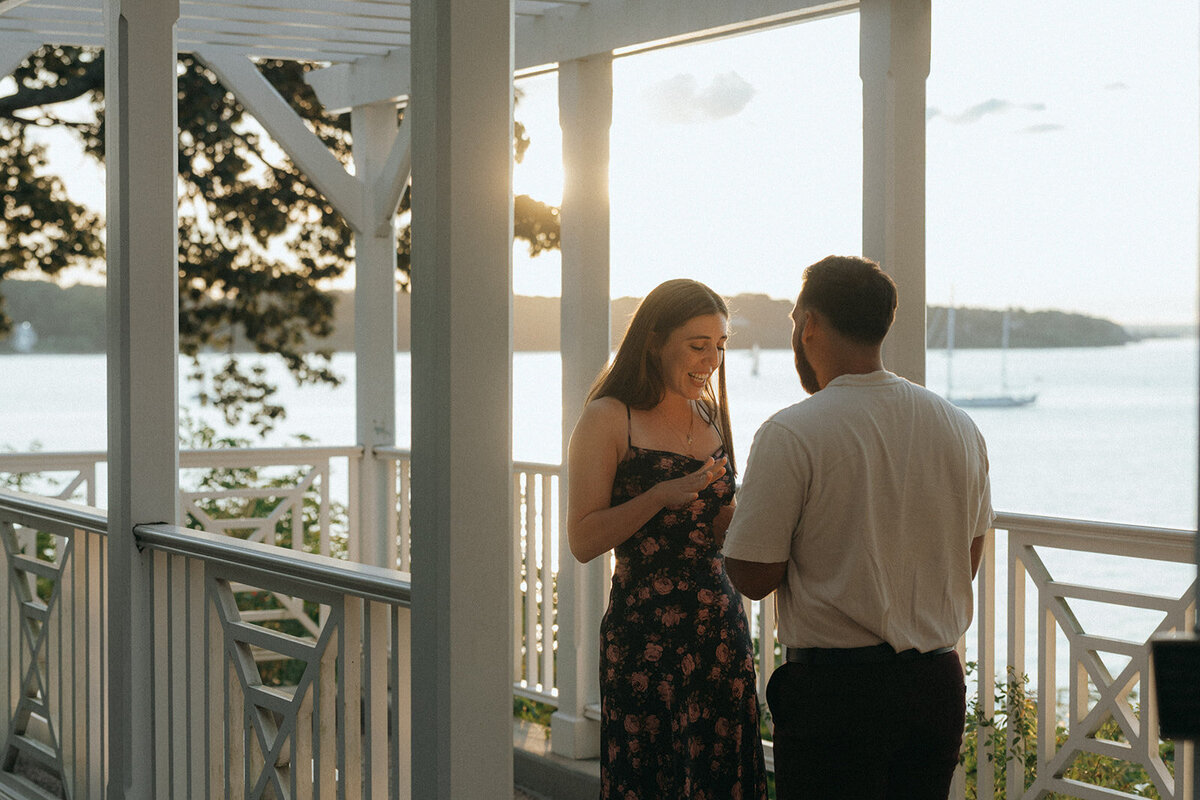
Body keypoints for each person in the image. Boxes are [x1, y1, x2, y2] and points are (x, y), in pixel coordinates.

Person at [722, 255, 993, 800]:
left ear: (811, 324)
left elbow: (753, 576)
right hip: (936, 685)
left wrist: (730, 520)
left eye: (796, 319)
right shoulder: (958, 426)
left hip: (837, 694)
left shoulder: (792, 432)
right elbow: (968, 556)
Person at [567, 278, 768, 800]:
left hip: (719, 632)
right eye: (698, 346)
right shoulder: (609, 417)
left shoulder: (710, 415)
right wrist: (658, 496)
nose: (711, 360)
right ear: (654, 340)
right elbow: (583, 540)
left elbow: (722, 525)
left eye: (720, 346)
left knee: (721, 778)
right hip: (645, 637)